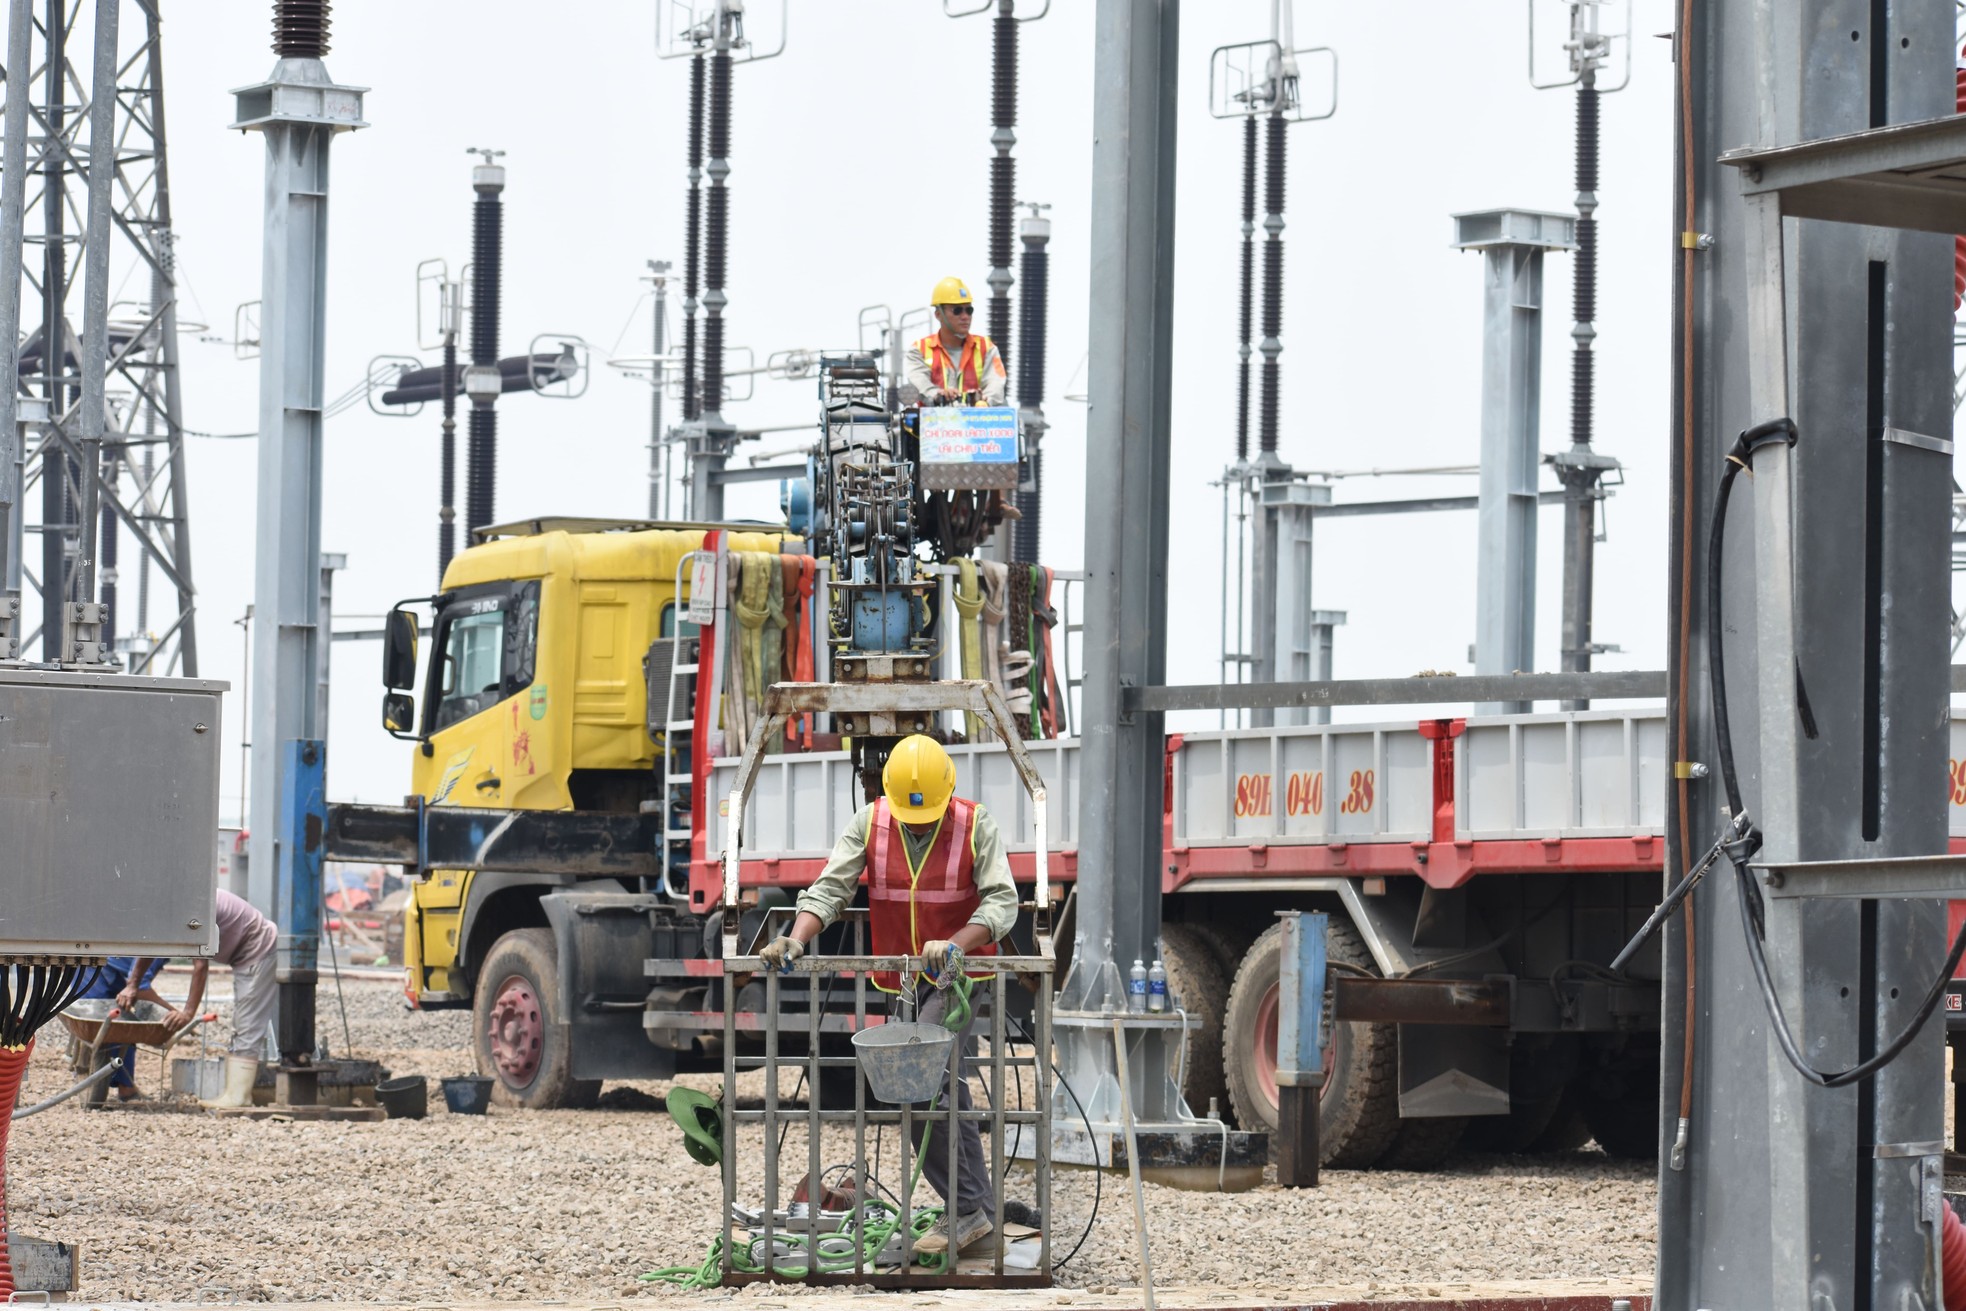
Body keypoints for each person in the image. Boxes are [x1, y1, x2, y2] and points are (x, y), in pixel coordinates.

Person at [759, 734, 1017, 1259]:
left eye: (927, 818)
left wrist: (958, 943)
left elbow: (1002, 900)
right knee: (931, 1090)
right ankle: (977, 1212)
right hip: (901, 978)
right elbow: (831, 889)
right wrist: (796, 936)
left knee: (927, 1086)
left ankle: (968, 1210)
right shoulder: (871, 823)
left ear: (947, 794)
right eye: (909, 817)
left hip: (956, 980)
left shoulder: (974, 824)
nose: (918, 825)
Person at [121, 889, 277, 1109]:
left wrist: (187, 1013)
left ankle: (239, 1096)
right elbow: (150, 946)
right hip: (240, 951)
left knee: (247, 1022)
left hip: (257, 947)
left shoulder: (190, 905)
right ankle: (236, 1093)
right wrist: (132, 985)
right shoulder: (163, 905)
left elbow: (200, 966)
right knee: (244, 1020)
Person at [76, 956, 176, 1102]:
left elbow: (140, 984)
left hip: (115, 976)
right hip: (92, 969)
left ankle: (126, 1087)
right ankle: (91, 1077)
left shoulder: (166, 949)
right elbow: (142, 989)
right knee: (98, 1022)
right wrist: (175, 1014)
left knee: (126, 1026)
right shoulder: (158, 948)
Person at [903, 277, 1008, 406]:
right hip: (931, 424)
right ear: (938, 314)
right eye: (957, 310)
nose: (965, 317)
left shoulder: (986, 348)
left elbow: (995, 386)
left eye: (969, 310)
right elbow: (918, 382)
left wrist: (984, 402)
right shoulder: (919, 350)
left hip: (978, 424)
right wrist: (937, 395)